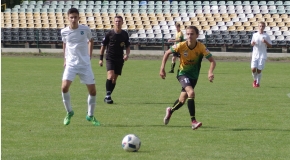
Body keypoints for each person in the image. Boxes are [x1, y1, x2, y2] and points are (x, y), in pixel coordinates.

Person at [159, 26, 216, 130]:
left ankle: (170, 111)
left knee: (182, 100)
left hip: (194, 76)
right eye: (188, 34)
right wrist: (162, 68)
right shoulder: (181, 45)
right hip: (183, 73)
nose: (189, 36)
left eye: (192, 34)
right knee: (191, 93)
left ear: (197, 35)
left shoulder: (201, 47)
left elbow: (212, 61)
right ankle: (193, 121)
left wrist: (210, 72)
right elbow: (167, 53)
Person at [60, 8, 100, 126]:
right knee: (64, 88)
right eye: (71, 17)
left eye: (75, 17)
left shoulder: (85, 29)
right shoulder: (64, 32)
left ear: (78, 18)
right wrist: (65, 59)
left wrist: (89, 55)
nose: (73, 19)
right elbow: (65, 44)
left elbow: (91, 40)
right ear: (68, 18)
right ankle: (69, 112)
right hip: (71, 64)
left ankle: (90, 116)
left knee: (93, 91)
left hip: (84, 64)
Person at [99, 15, 130, 104]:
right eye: (116, 21)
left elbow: (128, 46)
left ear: (122, 22)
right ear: (114, 22)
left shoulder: (124, 34)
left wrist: (127, 55)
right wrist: (101, 59)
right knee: (110, 76)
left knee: (114, 79)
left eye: (119, 21)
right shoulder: (109, 34)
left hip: (120, 59)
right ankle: (108, 96)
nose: (118, 23)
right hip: (110, 58)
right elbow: (103, 46)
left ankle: (108, 95)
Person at [250, 21, 272, 88]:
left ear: (264, 27)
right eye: (260, 26)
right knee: (253, 69)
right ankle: (255, 80)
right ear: (258, 27)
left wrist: (265, 42)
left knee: (259, 70)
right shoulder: (255, 35)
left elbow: (270, 46)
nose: (261, 27)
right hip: (255, 54)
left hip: (262, 54)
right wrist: (252, 43)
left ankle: (258, 83)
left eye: (262, 26)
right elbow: (251, 44)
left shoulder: (266, 36)